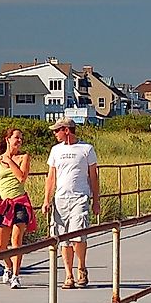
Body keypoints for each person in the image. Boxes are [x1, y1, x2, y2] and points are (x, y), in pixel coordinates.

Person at [42, 118, 99, 289]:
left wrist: (96, 200)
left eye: (57, 130)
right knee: (63, 238)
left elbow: (94, 177)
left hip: (80, 197)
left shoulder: (86, 149)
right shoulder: (55, 150)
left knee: (78, 235)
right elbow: (51, 177)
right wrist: (46, 199)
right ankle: (68, 274)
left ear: (66, 130)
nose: (54, 133)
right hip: (60, 199)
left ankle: (81, 267)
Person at [0, 127, 37, 289]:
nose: (19, 141)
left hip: (20, 203)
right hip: (4, 204)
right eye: (16, 138)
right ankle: (8, 267)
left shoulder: (24, 157)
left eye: (21, 138)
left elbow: (21, 177)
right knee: (0, 247)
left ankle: (16, 275)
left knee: (16, 241)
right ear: (8, 139)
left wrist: (10, 161)